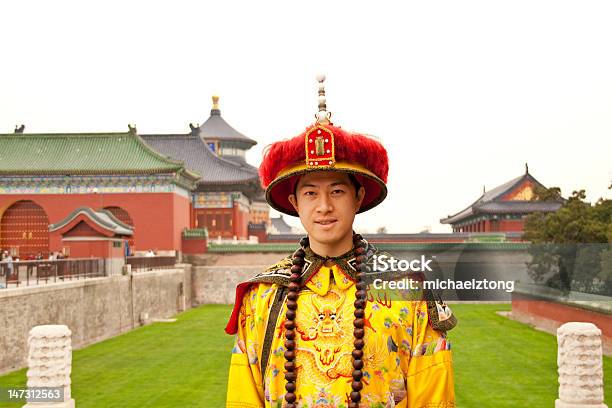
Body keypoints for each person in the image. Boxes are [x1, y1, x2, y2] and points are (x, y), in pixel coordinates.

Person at [225, 76, 457, 407]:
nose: (324, 206)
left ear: (359, 197)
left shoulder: (408, 291)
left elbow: (434, 398)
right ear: (294, 203)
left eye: (337, 191)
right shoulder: (262, 298)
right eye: (310, 193)